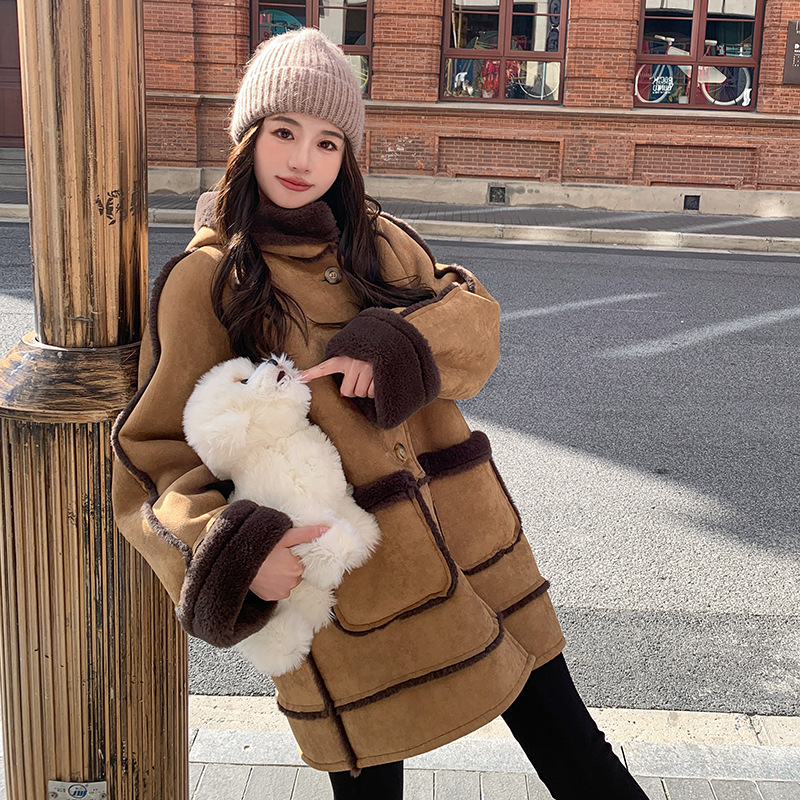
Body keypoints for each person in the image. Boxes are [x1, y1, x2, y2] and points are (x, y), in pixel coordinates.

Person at [111, 28, 648, 800]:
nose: (303, 159)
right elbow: (156, 455)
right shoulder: (210, 281)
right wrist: (233, 551)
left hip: (477, 550)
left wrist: (398, 343)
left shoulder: (382, 243)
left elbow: (477, 334)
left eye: (328, 142)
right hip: (347, 593)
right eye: (284, 132)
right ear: (248, 137)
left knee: (580, 759)